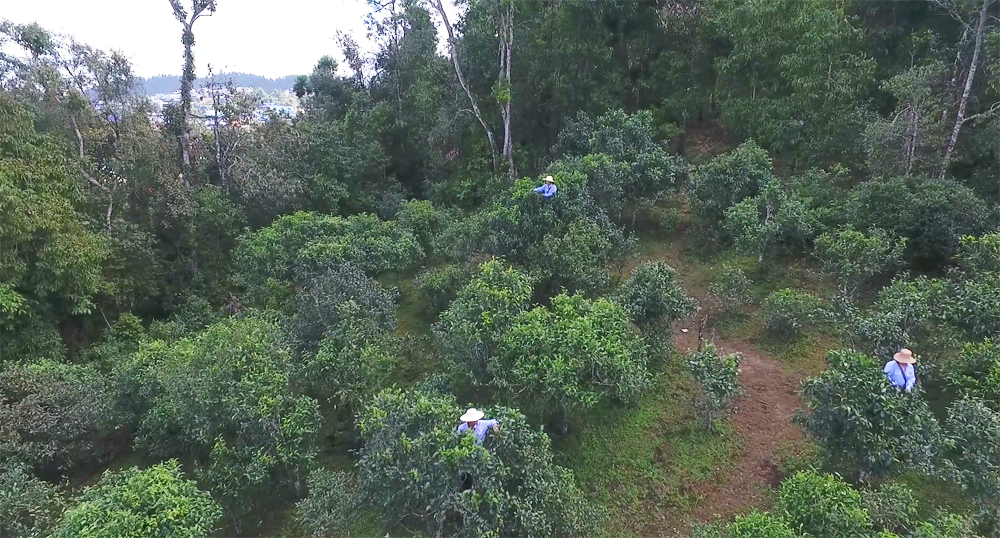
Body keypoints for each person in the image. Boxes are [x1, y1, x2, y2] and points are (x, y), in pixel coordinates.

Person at [456, 408, 499, 492]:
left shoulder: (482, 424)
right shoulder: (461, 428)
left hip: (479, 455)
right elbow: (458, 441)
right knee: (466, 477)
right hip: (466, 455)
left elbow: (493, 421)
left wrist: (495, 427)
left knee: (479, 476)